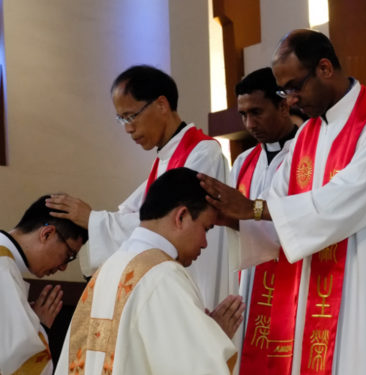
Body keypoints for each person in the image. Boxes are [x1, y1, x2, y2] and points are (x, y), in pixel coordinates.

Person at [198, 29, 366, 374]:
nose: (289, 99)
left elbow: (341, 201)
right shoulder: (307, 135)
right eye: (284, 90)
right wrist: (234, 217)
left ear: (325, 69)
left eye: (294, 87)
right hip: (314, 299)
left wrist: (252, 208)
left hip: (365, 295)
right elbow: (276, 210)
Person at [44, 65, 233, 311]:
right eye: (121, 119)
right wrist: (90, 224)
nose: (127, 128)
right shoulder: (165, 158)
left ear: (161, 105)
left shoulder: (202, 153)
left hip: (195, 282)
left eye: (131, 116)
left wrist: (93, 220)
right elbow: (134, 215)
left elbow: (168, 224)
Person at [55, 168, 244, 374]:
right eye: (205, 229)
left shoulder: (108, 267)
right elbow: (195, 367)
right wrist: (214, 336)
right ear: (181, 216)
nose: (205, 243)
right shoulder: (164, 274)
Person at [228, 67, 299, 373]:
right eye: (243, 115)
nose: (249, 124)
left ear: (284, 105)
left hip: (294, 284)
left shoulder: (308, 153)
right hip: (250, 287)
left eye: (257, 112)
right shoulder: (244, 163)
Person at [1, 196, 88, 375]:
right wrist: (40, 327)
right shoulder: (4, 269)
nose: (63, 267)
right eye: (68, 254)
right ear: (46, 233)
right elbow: (12, 360)